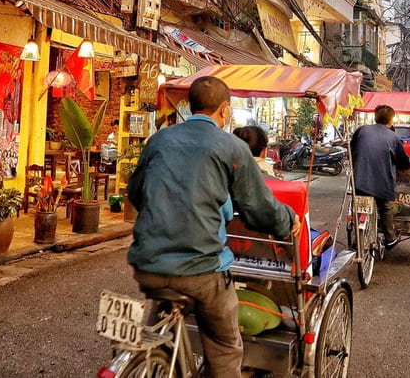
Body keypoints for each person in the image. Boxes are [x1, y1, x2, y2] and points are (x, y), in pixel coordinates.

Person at [126, 76, 299, 378]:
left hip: (148, 265)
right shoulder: (231, 147)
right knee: (225, 345)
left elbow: (137, 193)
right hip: (202, 271)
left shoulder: (159, 139)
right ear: (224, 110)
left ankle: (158, 359)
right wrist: (288, 221)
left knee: (159, 324)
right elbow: (258, 208)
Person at [350, 104, 410, 249]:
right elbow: (403, 162)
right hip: (382, 184)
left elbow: (352, 150)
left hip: (359, 180)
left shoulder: (361, 130)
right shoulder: (394, 137)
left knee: (358, 206)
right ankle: (389, 238)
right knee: (386, 207)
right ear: (391, 121)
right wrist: (407, 163)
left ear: (375, 117)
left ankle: (357, 235)